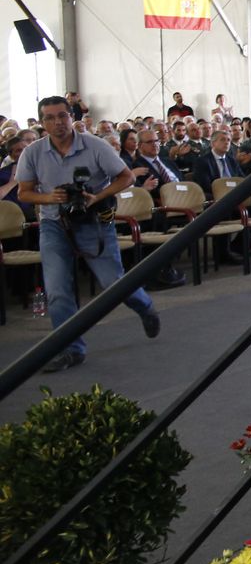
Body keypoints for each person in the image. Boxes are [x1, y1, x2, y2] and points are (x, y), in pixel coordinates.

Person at [15, 96, 161, 372]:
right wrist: (50, 198)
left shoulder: (95, 146)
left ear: (72, 117)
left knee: (113, 284)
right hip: (54, 224)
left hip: (94, 221)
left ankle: (144, 306)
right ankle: (71, 349)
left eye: (62, 116)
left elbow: (126, 177)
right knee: (57, 290)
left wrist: (96, 197)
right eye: (50, 118)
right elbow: (24, 192)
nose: (57, 122)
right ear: (42, 122)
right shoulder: (32, 153)